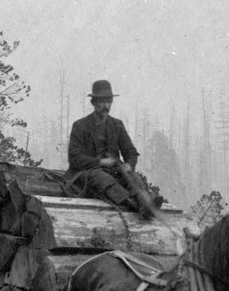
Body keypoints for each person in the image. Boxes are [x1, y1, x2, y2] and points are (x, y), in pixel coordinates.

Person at [65, 79, 160, 217]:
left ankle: (145, 202)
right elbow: (74, 158)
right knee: (100, 177)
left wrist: (129, 164)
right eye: (102, 102)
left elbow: (131, 152)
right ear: (93, 103)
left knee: (132, 177)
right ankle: (130, 204)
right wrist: (100, 162)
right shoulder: (80, 126)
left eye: (109, 101)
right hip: (87, 173)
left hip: (114, 171)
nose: (106, 106)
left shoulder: (117, 125)